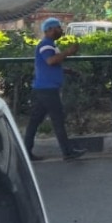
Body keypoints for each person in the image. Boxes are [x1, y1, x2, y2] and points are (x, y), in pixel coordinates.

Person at [23, 18, 85, 161]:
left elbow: (51, 65)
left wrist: (67, 70)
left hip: (43, 89)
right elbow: (50, 61)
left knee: (35, 121)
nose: (61, 30)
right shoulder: (46, 45)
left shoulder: (50, 45)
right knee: (58, 119)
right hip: (48, 90)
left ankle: (26, 151)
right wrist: (68, 52)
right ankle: (67, 152)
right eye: (58, 28)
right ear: (50, 30)